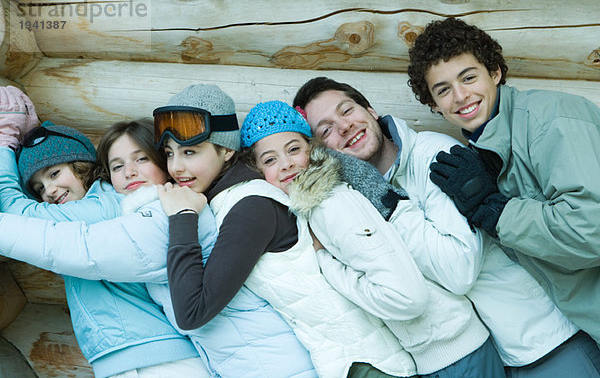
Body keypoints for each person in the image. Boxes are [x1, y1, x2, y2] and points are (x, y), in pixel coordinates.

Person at [0, 84, 317, 378]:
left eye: (142, 158)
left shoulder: (165, 215)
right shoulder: (171, 208)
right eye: (118, 166)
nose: (131, 171)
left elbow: (75, 248)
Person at [293, 77, 594, 376]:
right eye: (327, 129)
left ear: (370, 110)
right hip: (498, 355)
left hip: (546, 340)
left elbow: (458, 271)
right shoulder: (354, 199)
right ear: (323, 151)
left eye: (347, 111)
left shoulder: (435, 156)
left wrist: (389, 204)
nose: (343, 127)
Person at [156, 91, 415, 378]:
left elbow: (192, 312)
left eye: (190, 152)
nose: (176, 167)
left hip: (367, 364)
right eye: (169, 153)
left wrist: (181, 218)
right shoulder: (248, 196)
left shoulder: (252, 207)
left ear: (226, 149)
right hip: (351, 361)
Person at [238, 100, 503, 377]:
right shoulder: (314, 206)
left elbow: (407, 298)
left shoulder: (331, 204)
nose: (286, 164)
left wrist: (327, 264)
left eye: (294, 149)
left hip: (455, 354)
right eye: (270, 160)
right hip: (440, 352)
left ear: (313, 149)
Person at [407, 17, 600, 351]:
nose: (461, 96)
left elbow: (591, 231)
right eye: (443, 90)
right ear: (434, 105)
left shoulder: (550, 120)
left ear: (494, 72)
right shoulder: (483, 152)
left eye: (469, 77)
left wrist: (496, 211)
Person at [0, 90, 208, 378]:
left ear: (82, 166)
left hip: (155, 359)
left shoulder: (105, 204)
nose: (48, 191)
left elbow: (14, 211)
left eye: (54, 174)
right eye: (37, 188)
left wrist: (4, 143)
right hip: (130, 358)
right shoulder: (88, 211)